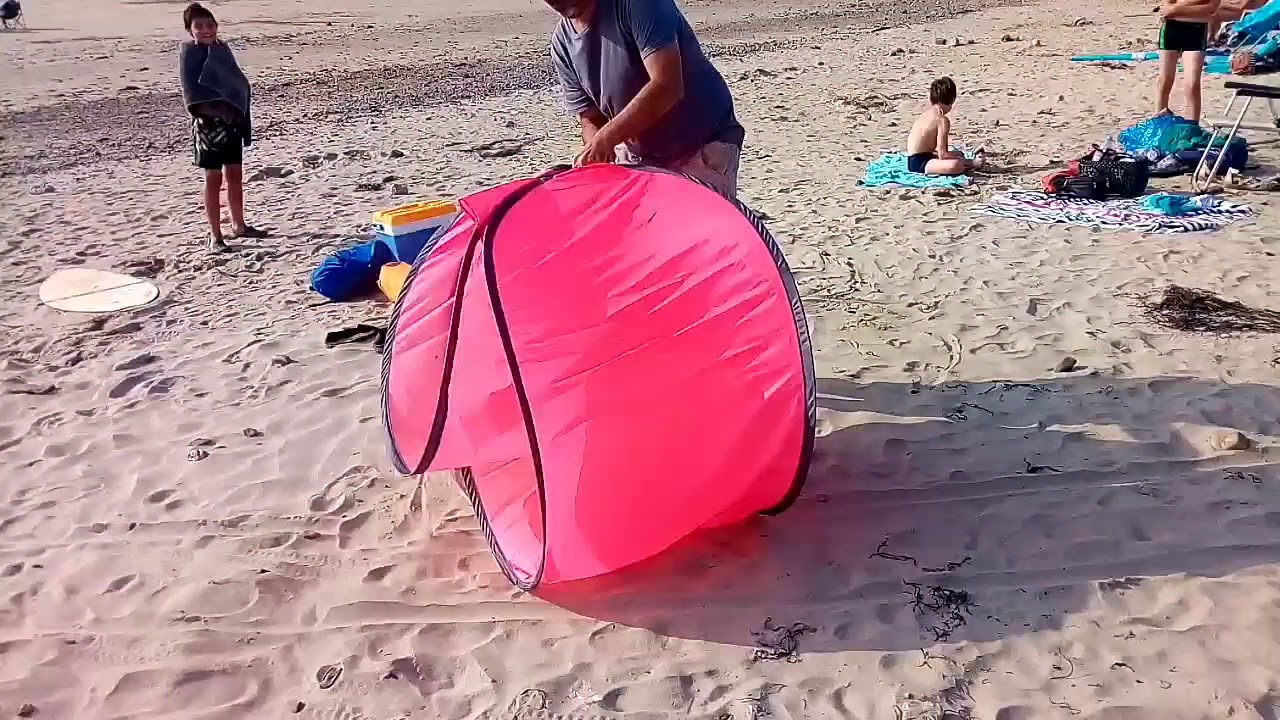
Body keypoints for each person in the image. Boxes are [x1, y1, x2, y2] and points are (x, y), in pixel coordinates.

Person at [545, 0, 745, 198]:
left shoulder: (639, 5)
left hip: (702, 144)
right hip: (638, 153)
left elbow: (667, 86)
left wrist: (606, 138)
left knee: (695, 227)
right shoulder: (563, 43)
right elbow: (590, 118)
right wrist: (596, 151)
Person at [179, 2, 267, 251]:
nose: (206, 30)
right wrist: (218, 109)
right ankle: (215, 235)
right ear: (190, 30)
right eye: (199, 26)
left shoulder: (222, 50)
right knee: (213, 179)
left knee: (235, 175)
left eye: (210, 24)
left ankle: (239, 225)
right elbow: (192, 95)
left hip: (231, 124)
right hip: (207, 127)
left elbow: (236, 82)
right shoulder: (189, 54)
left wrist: (236, 113)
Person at [1156, 0, 1223, 123]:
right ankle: (1159, 123)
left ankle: (1192, 127)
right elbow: (1166, 7)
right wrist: (1196, 7)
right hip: (1172, 28)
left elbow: (1211, 9)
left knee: (1192, 84)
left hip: (1196, 31)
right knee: (1165, 80)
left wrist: (1176, 9)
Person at [905, 77, 978, 177]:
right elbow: (943, 155)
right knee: (956, 164)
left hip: (914, 159)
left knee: (958, 155)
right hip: (921, 163)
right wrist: (969, 161)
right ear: (951, 100)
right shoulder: (942, 120)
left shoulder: (924, 115)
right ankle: (972, 164)